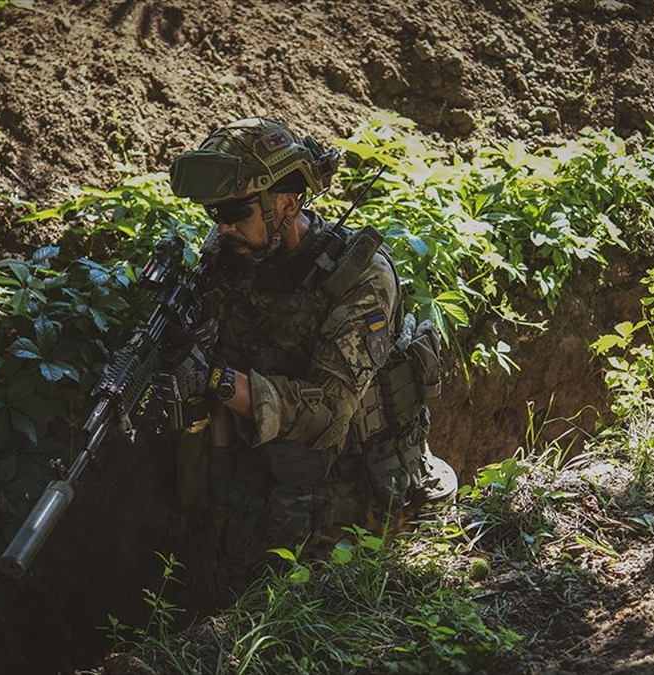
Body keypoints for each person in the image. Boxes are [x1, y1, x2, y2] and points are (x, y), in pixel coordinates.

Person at [152, 117, 456, 575]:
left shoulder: (360, 280)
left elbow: (329, 414)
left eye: (236, 213)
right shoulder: (234, 255)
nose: (224, 228)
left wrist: (213, 378)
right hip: (266, 485)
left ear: (288, 204)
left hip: (361, 507)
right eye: (216, 214)